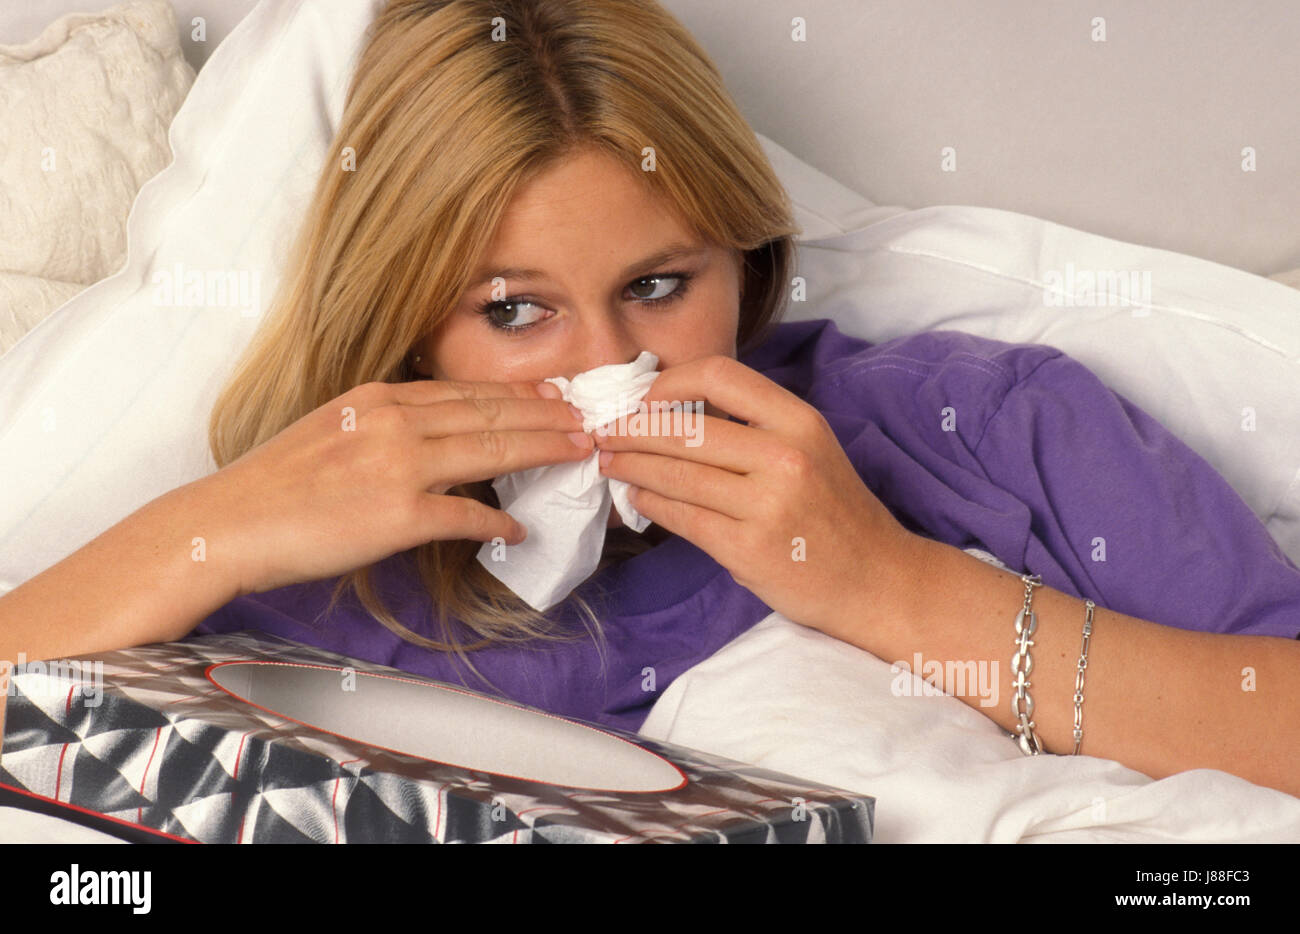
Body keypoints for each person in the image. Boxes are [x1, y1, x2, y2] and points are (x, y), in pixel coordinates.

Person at [2, 0, 1297, 801]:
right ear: (404, 322)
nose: (603, 363)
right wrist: (215, 527)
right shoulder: (310, 567)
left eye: (662, 283)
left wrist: (889, 585)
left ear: (749, 259)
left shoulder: (984, 424)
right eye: (512, 309)